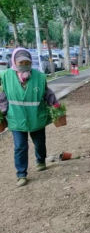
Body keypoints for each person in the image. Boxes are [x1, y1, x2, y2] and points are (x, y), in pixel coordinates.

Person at [0, 48, 60, 187]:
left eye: (27, 62)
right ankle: (21, 174)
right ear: (14, 62)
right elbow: (3, 96)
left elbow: (47, 93)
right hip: (16, 118)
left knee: (39, 143)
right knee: (20, 146)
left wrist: (56, 104)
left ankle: (40, 160)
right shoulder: (7, 76)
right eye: (21, 62)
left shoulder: (39, 77)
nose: (24, 64)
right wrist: (3, 111)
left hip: (36, 117)